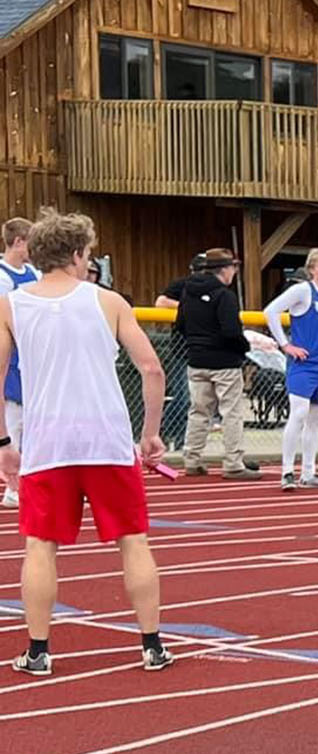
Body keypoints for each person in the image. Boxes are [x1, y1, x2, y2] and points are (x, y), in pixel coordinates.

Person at [0, 209, 171, 676]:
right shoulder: (108, 301)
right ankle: (152, 645)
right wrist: (150, 432)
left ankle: (38, 651)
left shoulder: (12, 305)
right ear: (77, 254)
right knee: (133, 540)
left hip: (46, 442)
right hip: (107, 441)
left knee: (40, 546)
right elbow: (152, 368)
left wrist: (3, 442)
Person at [264, 248, 318, 491]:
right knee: (299, 413)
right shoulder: (302, 291)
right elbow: (270, 311)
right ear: (312, 269)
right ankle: (287, 471)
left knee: (316, 419)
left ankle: (309, 472)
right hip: (302, 364)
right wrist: (285, 345)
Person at [171, 248, 261, 480]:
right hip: (225, 362)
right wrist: (245, 347)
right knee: (231, 412)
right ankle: (233, 462)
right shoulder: (224, 295)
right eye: (233, 267)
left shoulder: (187, 292)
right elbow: (231, 331)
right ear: (225, 269)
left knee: (198, 411)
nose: (234, 272)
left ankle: (192, 459)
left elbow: (180, 324)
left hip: (197, 360)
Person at [1, 216, 37, 508]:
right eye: (30, 242)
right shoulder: (2, 275)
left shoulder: (34, 272)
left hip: (30, 354)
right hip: (10, 354)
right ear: (18, 242)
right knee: (13, 421)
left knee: (33, 420)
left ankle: (30, 481)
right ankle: (12, 487)